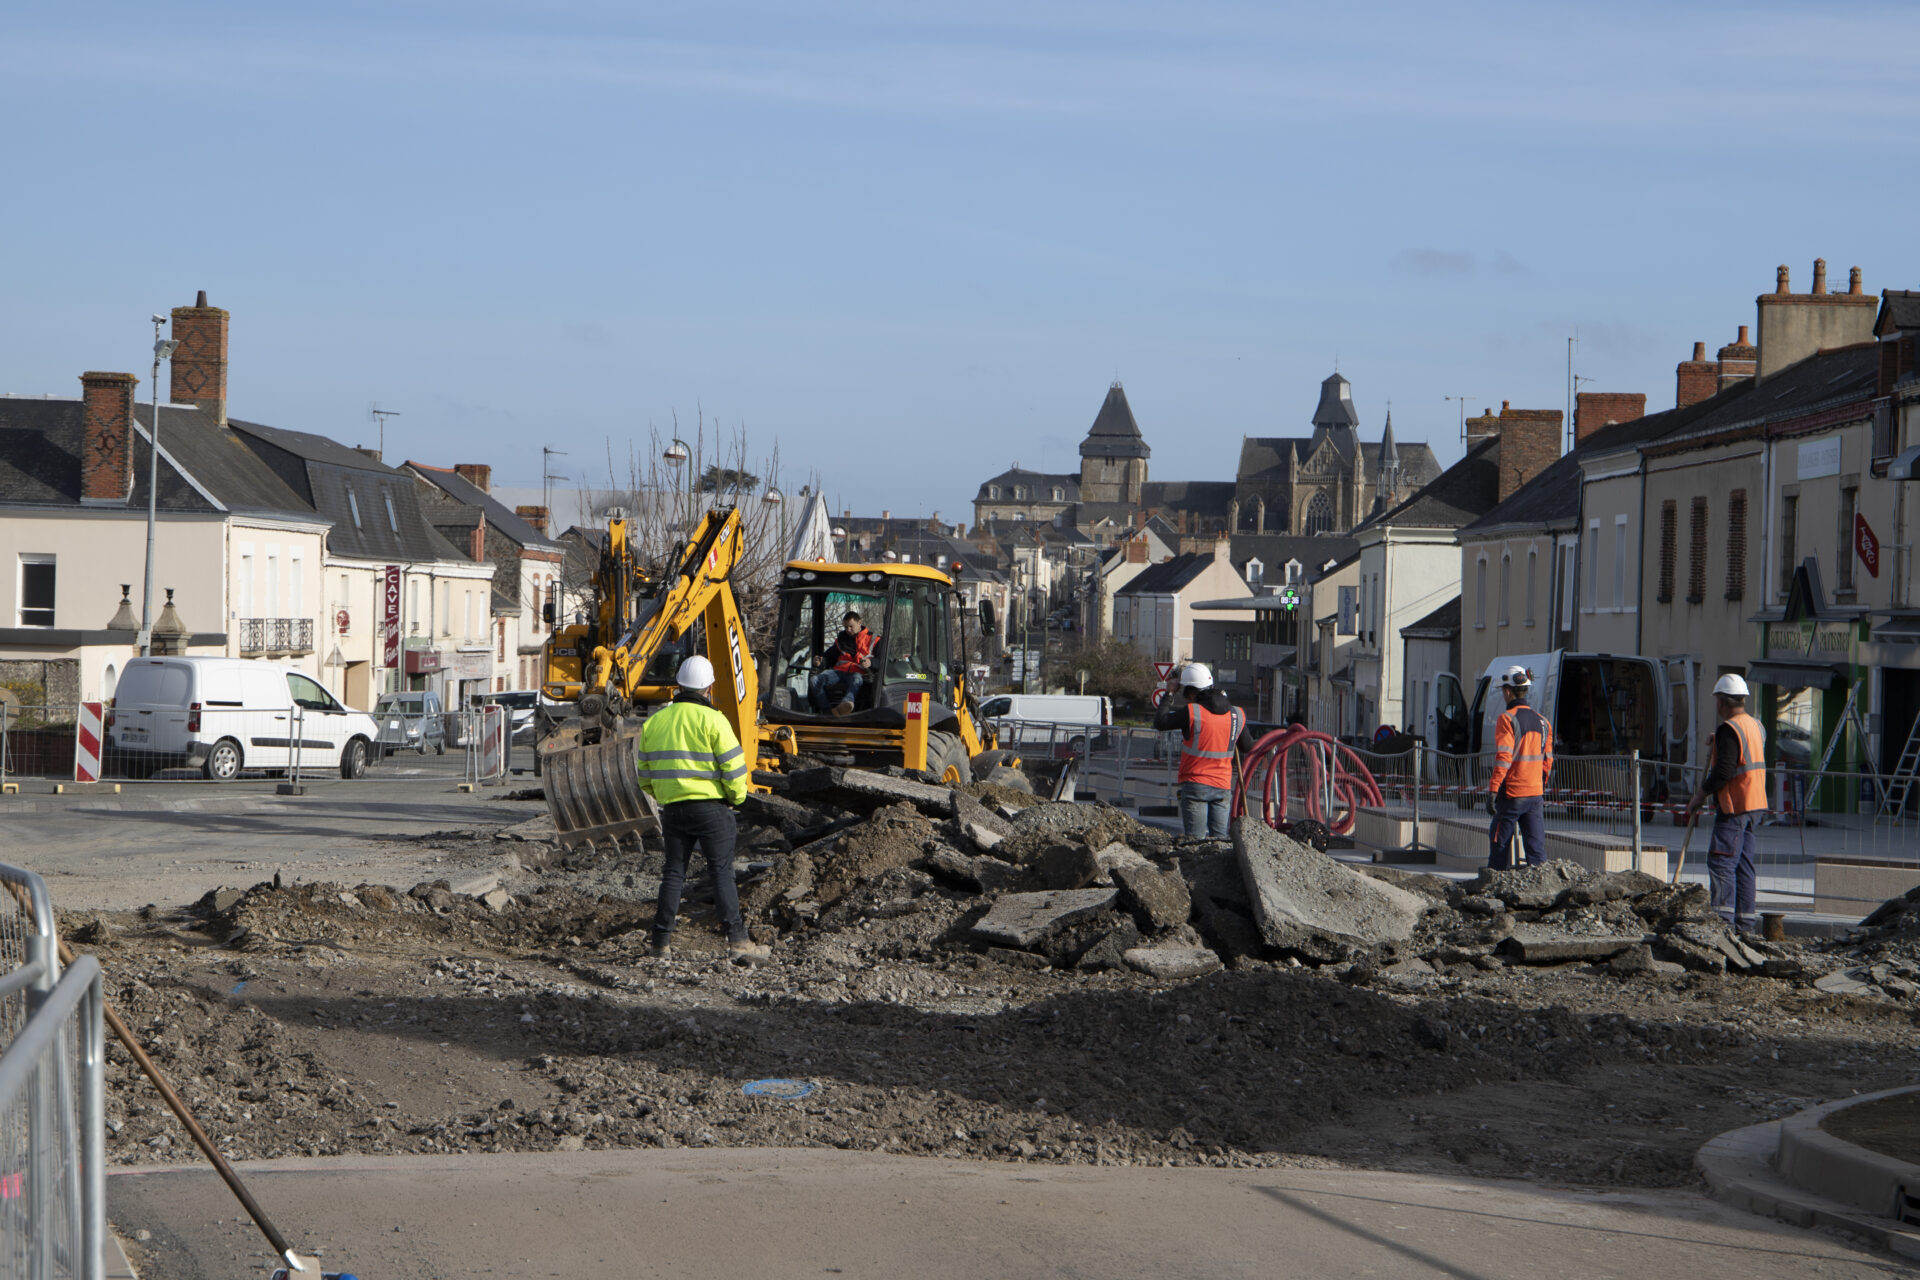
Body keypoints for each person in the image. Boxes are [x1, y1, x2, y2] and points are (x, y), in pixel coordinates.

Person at [637, 656, 770, 963]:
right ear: (709, 687)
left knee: (673, 873)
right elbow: (735, 770)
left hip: (673, 810)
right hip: (712, 810)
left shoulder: (655, 721)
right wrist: (735, 799)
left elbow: (644, 774)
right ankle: (738, 941)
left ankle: (660, 943)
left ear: (679, 685)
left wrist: (666, 795)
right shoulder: (714, 720)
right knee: (721, 872)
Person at [1685, 673, 1766, 934]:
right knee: (1743, 866)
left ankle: (1723, 928)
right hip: (1755, 805)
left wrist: (1700, 795)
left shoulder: (1729, 730)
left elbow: (1724, 771)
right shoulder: (1754, 725)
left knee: (1721, 864)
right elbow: (1743, 750)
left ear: (1721, 701)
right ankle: (1745, 927)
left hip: (1735, 807)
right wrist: (1718, 739)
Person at [1154, 662, 1256, 839]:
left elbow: (1161, 722)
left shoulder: (1192, 712)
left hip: (1195, 785)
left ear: (1191, 691)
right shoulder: (1236, 714)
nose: (1187, 698)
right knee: (1220, 843)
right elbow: (1247, 746)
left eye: (1186, 693)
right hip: (1222, 786)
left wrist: (1170, 692)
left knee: (1196, 844)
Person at [1487, 666, 1553, 869]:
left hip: (1513, 793)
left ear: (1508, 691)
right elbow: (1548, 760)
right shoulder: (1544, 722)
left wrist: (1493, 789)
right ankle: (1541, 889)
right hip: (1535, 794)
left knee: (1499, 842)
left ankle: (1494, 886)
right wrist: (1540, 785)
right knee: (1536, 850)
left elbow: (1504, 758)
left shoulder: (1506, 719)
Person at [809, 610, 875, 715]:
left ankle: (847, 704)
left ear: (859, 623)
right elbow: (829, 656)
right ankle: (829, 712)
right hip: (838, 672)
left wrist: (871, 663)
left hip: (859, 673)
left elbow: (882, 660)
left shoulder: (873, 639)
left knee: (856, 680)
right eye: (845, 627)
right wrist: (820, 662)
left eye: (851, 626)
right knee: (814, 680)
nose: (848, 630)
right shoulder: (841, 640)